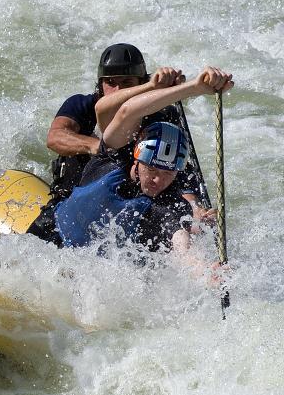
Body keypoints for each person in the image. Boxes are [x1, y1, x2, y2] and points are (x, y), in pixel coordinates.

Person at [47, 65, 234, 254]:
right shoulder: (113, 156)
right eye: (151, 169)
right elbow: (124, 111)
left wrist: (203, 269)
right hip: (53, 236)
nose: (158, 180)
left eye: (168, 173)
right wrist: (194, 88)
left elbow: (180, 240)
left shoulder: (168, 201)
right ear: (136, 158)